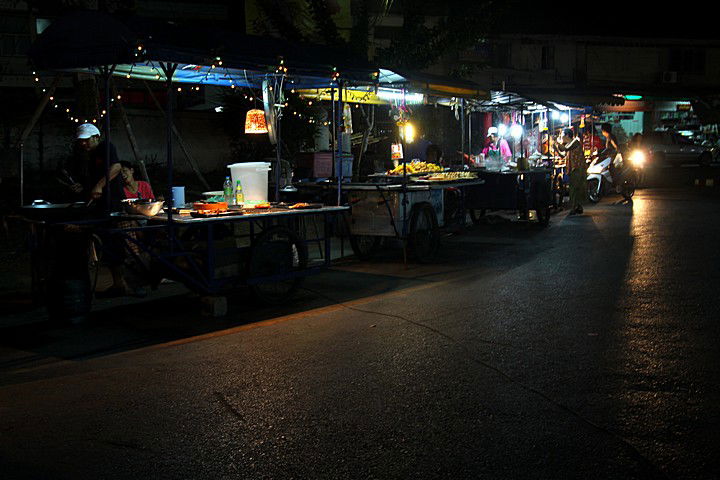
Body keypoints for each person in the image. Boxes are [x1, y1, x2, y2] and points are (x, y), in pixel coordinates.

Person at [62, 123, 124, 211]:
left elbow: (116, 167)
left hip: (114, 198)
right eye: (81, 140)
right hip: (101, 200)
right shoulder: (91, 155)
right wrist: (82, 185)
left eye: (87, 139)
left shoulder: (105, 146)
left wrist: (99, 186)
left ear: (96, 137)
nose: (83, 143)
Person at [556, 128, 586, 215]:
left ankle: (574, 207)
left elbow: (564, 149)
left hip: (577, 168)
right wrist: (556, 149)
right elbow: (562, 154)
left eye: (562, 136)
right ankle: (578, 206)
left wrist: (557, 144)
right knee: (576, 188)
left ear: (567, 136)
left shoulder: (575, 142)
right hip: (573, 169)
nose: (562, 138)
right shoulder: (569, 144)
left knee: (574, 188)